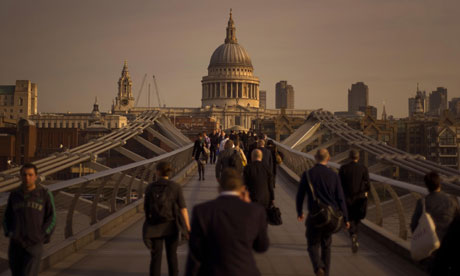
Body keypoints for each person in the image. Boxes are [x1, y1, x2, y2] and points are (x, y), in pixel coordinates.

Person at [185, 168, 269, 276]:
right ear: (242, 188)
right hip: (245, 271)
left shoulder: (201, 211)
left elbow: (195, 252)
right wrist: (249, 204)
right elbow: (262, 246)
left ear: (219, 187)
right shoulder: (256, 211)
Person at [296, 149, 349, 276]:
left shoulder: (308, 174)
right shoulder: (334, 175)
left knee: (312, 244)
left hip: (314, 215)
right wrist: (346, 219)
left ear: (315, 158)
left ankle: (318, 267)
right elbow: (341, 198)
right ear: (328, 158)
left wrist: (299, 212)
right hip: (330, 217)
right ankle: (326, 273)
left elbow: (300, 195)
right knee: (326, 246)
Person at [2, 163, 56, 276]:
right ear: (21, 176)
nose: (27, 178)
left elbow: (52, 218)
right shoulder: (14, 195)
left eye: (30, 175)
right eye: (24, 175)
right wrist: (10, 233)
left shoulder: (44, 194)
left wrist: (42, 235)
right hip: (16, 245)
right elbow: (7, 216)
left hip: (34, 244)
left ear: (36, 176)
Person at [143, 161, 191, 276]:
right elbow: (183, 209)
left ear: (157, 172)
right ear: (169, 172)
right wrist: (188, 228)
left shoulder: (150, 187)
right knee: (172, 257)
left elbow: (146, 208)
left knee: (156, 258)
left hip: (154, 227)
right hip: (171, 226)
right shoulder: (175, 187)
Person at [410, 171, 459, 272]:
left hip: (430, 249)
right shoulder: (453, 201)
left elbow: (414, 225)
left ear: (427, 186)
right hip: (449, 248)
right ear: (440, 183)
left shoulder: (422, 203)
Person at [338, 149, 370, 253]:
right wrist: (365, 193)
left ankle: (352, 234)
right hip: (359, 198)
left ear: (349, 157)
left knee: (349, 218)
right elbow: (368, 185)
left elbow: (339, 185)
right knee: (357, 219)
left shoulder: (343, 168)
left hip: (347, 198)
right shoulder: (363, 168)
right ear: (358, 157)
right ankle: (355, 235)